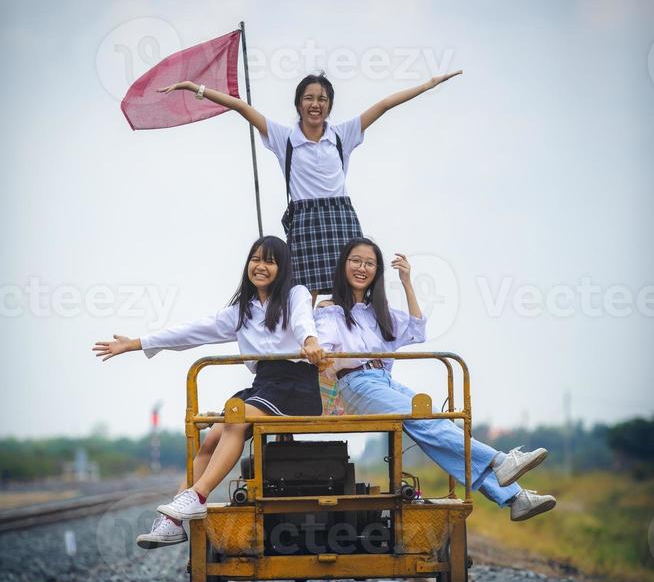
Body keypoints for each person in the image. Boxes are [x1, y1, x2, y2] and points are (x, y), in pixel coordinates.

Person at [92, 236, 327, 548]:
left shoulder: (295, 294)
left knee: (235, 418)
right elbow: (192, 330)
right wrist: (136, 343)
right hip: (264, 386)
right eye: (255, 259)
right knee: (211, 439)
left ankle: (197, 495)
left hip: (296, 386)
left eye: (269, 261)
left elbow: (302, 320)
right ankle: (173, 522)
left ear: (282, 268)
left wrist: (310, 340)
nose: (260, 266)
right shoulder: (242, 311)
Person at [157, 70, 462, 299]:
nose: (315, 104)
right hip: (304, 217)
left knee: (350, 285)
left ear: (329, 105)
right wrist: (195, 88)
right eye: (309, 98)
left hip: (340, 215)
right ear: (299, 104)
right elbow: (241, 107)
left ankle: (347, 347)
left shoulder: (342, 134)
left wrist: (426, 85)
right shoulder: (284, 137)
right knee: (305, 291)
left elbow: (383, 105)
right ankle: (308, 351)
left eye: (322, 99)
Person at [314, 238, 557, 522]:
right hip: (356, 384)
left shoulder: (376, 312)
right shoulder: (329, 309)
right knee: (428, 424)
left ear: (377, 271)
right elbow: (323, 347)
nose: (362, 268)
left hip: (384, 380)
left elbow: (417, 329)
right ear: (343, 264)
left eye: (370, 263)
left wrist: (407, 281)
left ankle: (515, 498)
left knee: (435, 425)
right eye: (355, 261)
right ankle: (501, 461)